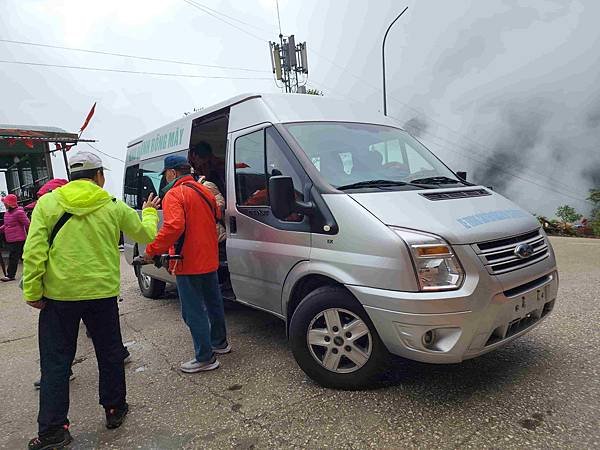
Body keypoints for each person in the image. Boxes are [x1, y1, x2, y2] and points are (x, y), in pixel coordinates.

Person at [22, 152, 160, 450]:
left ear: (72, 176)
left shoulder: (48, 204)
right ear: (99, 176)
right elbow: (146, 233)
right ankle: (114, 409)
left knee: (56, 363)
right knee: (109, 354)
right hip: (102, 295)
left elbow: (33, 252)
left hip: (59, 298)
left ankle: (53, 431)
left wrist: (33, 292)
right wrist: (148, 211)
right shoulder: (112, 205)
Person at [145, 155, 230, 374]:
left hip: (187, 261)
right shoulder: (204, 191)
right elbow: (216, 214)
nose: (165, 179)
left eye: (165, 175)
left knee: (192, 312)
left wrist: (151, 250)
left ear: (172, 173)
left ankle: (205, 357)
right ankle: (220, 343)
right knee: (213, 303)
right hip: (209, 258)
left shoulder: (175, 194)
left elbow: (173, 227)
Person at [0, 193, 30, 282]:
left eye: (5, 203)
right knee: (23, 256)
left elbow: (27, 224)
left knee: (13, 257)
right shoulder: (8, 213)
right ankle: (32, 271)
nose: (4, 204)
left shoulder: (19, 212)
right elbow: (6, 225)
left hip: (18, 239)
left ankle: (10, 275)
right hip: (11, 239)